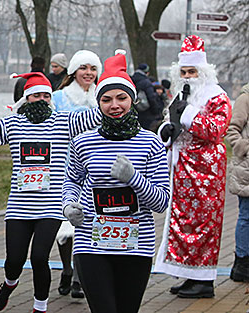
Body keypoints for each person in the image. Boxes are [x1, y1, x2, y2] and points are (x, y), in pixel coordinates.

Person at [0, 72, 101, 313]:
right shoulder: (13, 123)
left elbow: (96, 117)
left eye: (46, 95)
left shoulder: (63, 121)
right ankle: (9, 284)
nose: (42, 99)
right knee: (14, 261)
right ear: (26, 99)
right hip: (19, 206)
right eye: (36, 95)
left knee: (38, 257)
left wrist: (107, 85)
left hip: (51, 204)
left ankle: (40, 307)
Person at [62, 51, 170, 313]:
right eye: (106, 99)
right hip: (91, 242)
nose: (114, 105)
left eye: (121, 98)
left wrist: (133, 178)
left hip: (136, 245)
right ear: (98, 103)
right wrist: (68, 206)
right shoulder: (83, 141)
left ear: (132, 100)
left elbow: (162, 202)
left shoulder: (151, 142)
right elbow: (72, 181)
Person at [155, 35, 232, 298]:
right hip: (182, 170)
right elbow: (173, 122)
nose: (187, 76)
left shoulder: (217, 96)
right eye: (184, 71)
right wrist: (167, 129)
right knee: (183, 224)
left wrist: (188, 114)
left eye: (192, 71)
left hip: (207, 173)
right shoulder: (180, 94)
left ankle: (205, 280)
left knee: (204, 225)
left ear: (203, 72)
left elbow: (215, 130)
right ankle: (189, 274)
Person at [51, 49, 102, 298]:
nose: (89, 73)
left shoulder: (103, 99)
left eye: (93, 69)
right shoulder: (58, 98)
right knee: (66, 222)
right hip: (64, 166)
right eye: (84, 68)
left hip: (94, 169)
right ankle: (67, 269)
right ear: (73, 71)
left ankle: (81, 277)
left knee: (89, 221)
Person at [226, 83, 249, 282]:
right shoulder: (246, 97)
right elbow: (232, 129)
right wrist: (244, 147)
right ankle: (242, 263)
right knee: (246, 215)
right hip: (248, 168)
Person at [131, 63, 164, 132]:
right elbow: (151, 98)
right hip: (147, 113)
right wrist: (156, 112)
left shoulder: (131, 80)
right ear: (146, 72)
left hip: (135, 112)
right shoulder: (146, 82)